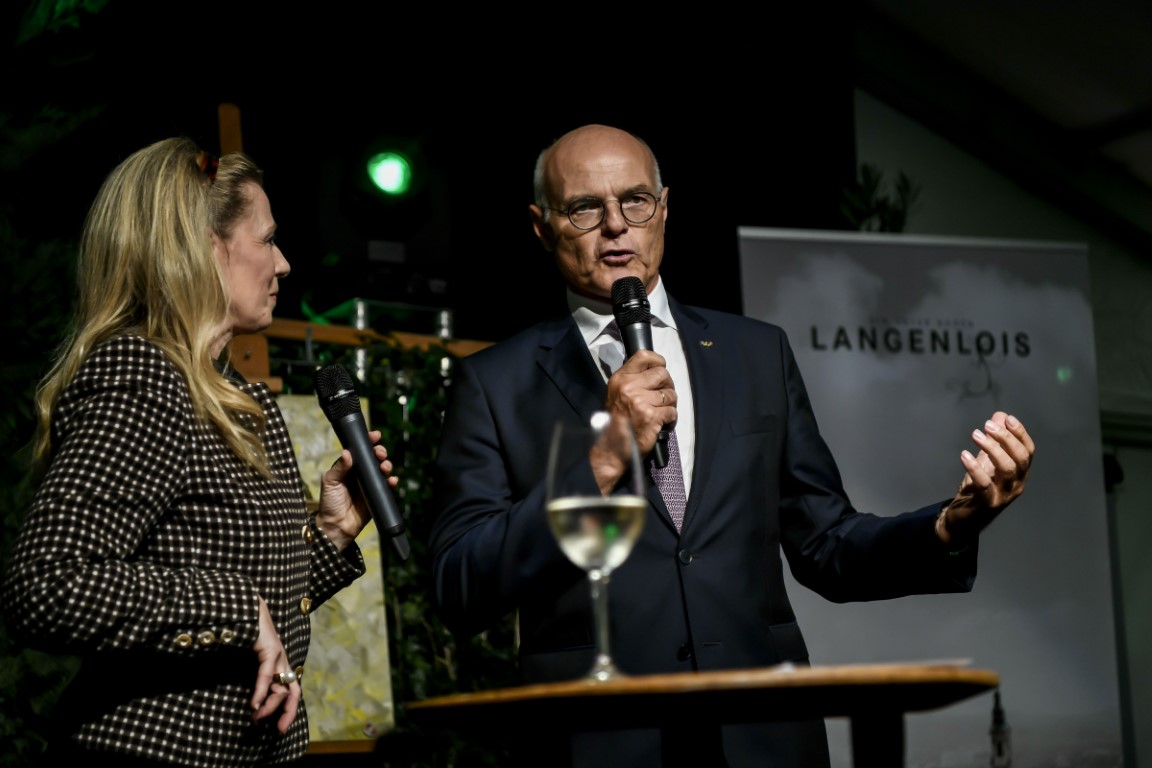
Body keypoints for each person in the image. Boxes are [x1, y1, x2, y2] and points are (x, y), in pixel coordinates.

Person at [428, 123, 1036, 767]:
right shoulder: (494, 383)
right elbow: (459, 585)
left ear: (664, 208)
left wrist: (949, 526)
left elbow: (827, 545)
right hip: (599, 740)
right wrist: (602, 460)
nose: (616, 225)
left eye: (635, 200)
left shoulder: (756, 352)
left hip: (764, 736)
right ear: (542, 226)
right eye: (585, 208)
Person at [0, 137, 395, 767]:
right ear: (205, 249)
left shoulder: (236, 397)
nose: (284, 263)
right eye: (268, 239)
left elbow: (255, 597)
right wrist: (237, 608)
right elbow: (47, 584)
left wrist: (330, 534)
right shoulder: (143, 378)